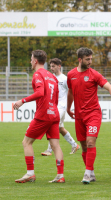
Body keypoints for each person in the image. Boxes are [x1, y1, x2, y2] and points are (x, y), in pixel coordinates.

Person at [67, 47, 111, 184]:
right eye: (87, 59)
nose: (90, 61)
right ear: (80, 59)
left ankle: (86, 173)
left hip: (93, 114)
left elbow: (110, 87)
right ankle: (91, 173)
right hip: (79, 116)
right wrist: (68, 109)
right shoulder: (71, 74)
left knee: (91, 142)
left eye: (91, 59)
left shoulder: (94, 74)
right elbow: (70, 92)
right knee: (84, 146)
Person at [14, 50, 65, 183]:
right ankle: (60, 176)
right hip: (54, 114)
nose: (30, 61)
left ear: (35, 61)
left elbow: (40, 92)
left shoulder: (38, 74)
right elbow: (56, 98)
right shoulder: (52, 76)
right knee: (55, 145)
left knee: (26, 142)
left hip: (43, 115)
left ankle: (30, 173)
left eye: (31, 59)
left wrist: (22, 101)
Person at [41, 58, 80, 156]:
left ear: (59, 66)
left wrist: (70, 106)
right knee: (60, 128)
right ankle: (74, 145)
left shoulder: (65, 79)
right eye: (50, 66)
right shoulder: (50, 78)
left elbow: (71, 92)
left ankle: (49, 150)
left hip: (62, 106)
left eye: (53, 66)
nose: (51, 68)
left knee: (52, 125)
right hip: (53, 106)